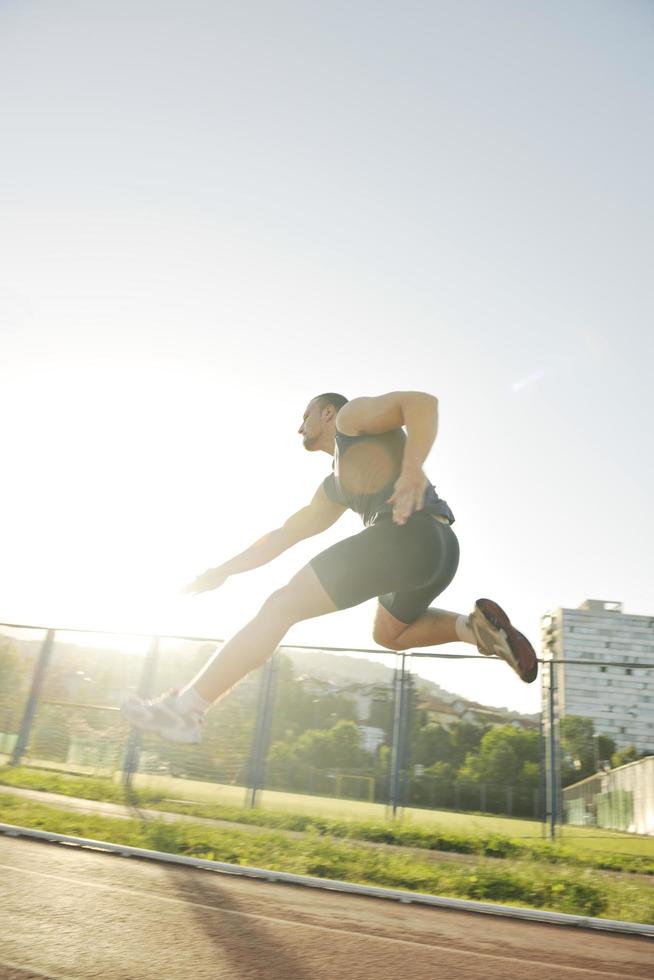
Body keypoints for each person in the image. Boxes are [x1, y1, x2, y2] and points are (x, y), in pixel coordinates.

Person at [121, 390, 538, 744]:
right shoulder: (334, 487)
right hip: (441, 550)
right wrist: (222, 571)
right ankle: (476, 629)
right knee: (389, 634)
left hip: (404, 534)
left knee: (281, 606)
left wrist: (412, 472)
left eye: (305, 416)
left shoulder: (352, 419)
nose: (299, 427)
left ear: (326, 412)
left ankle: (187, 709)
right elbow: (282, 536)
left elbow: (422, 403)